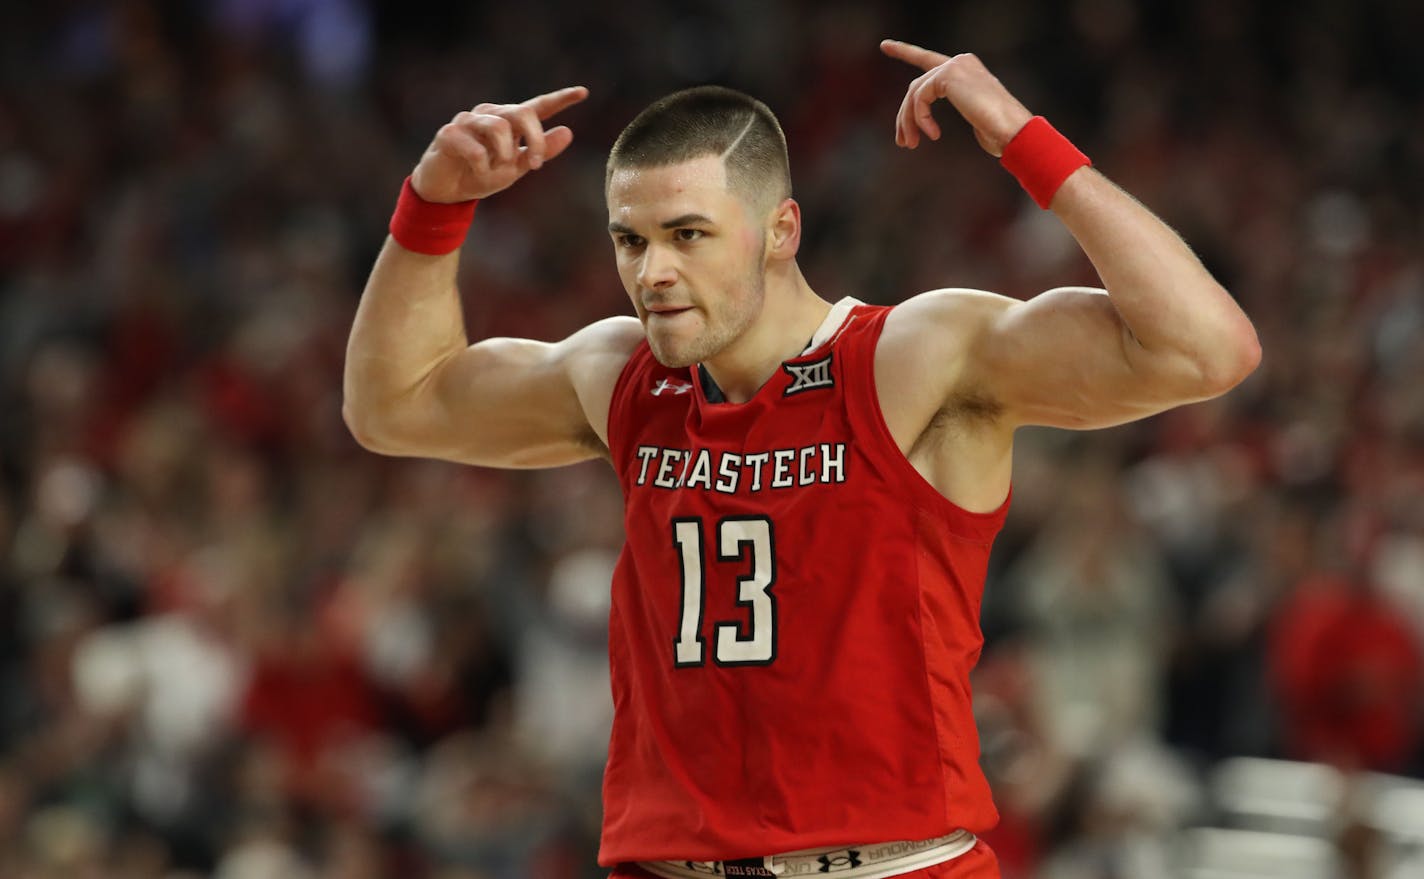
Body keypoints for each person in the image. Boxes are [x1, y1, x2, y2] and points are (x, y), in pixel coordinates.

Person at [343, 39, 1261, 879]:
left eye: (687, 234)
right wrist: (435, 205)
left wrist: (1026, 140)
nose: (652, 270)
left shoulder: (915, 355)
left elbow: (1208, 350)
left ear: (781, 230)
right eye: (631, 239)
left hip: (891, 865)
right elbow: (394, 408)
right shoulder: (619, 374)